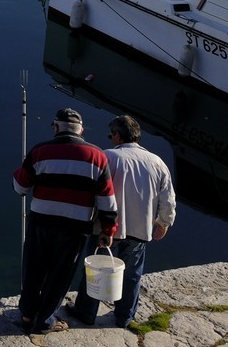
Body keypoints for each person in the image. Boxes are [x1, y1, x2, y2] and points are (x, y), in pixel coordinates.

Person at [13, 108, 118, 334]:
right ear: (81, 130)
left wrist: (19, 173)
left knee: (33, 268)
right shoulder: (98, 156)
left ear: (56, 127)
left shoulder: (40, 151)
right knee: (60, 273)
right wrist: (108, 229)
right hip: (75, 227)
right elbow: (107, 200)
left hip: (40, 222)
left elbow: (21, 187)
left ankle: (27, 313)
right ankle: (45, 320)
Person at [68, 114, 176, 328]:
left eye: (111, 135)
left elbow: (92, 191)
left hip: (107, 228)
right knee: (132, 274)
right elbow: (168, 198)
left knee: (95, 270)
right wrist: (163, 222)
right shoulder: (157, 162)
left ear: (117, 135)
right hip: (140, 227)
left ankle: (86, 312)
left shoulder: (107, 157)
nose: (110, 139)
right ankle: (124, 316)